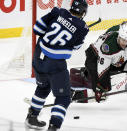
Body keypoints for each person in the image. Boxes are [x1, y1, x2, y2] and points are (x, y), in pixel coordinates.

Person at [25, 0, 89, 130]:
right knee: (64, 97)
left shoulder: (57, 12)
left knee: (43, 87)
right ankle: (54, 126)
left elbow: (37, 29)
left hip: (38, 56)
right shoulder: (82, 27)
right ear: (83, 13)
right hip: (55, 64)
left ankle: (31, 117)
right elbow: (76, 47)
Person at [84, 21, 127, 106]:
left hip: (115, 59)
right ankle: (75, 95)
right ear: (118, 36)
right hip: (94, 57)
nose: (124, 43)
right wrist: (101, 87)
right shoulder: (108, 46)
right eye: (122, 40)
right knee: (102, 93)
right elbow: (103, 69)